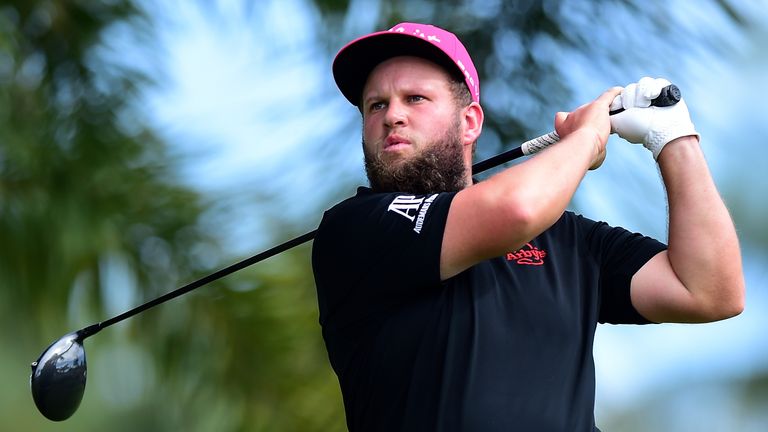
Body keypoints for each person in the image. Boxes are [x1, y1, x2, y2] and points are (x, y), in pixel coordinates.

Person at [311, 22, 744, 432]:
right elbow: (515, 209)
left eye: (415, 99)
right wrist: (588, 138)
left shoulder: (569, 240)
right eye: (377, 104)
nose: (392, 117)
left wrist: (674, 138)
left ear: (470, 123)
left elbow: (710, 291)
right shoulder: (353, 229)